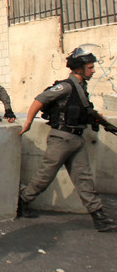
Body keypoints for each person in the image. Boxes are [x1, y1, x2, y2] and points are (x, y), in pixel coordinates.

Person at [17, 46, 117, 232]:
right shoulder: (66, 86)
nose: (93, 70)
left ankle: (99, 217)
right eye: (90, 67)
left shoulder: (81, 87)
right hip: (61, 139)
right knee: (45, 176)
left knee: (84, 179)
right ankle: (23, 200)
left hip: (76, 139)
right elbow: (40, 99)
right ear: (78, 68)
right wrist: (29, 122)